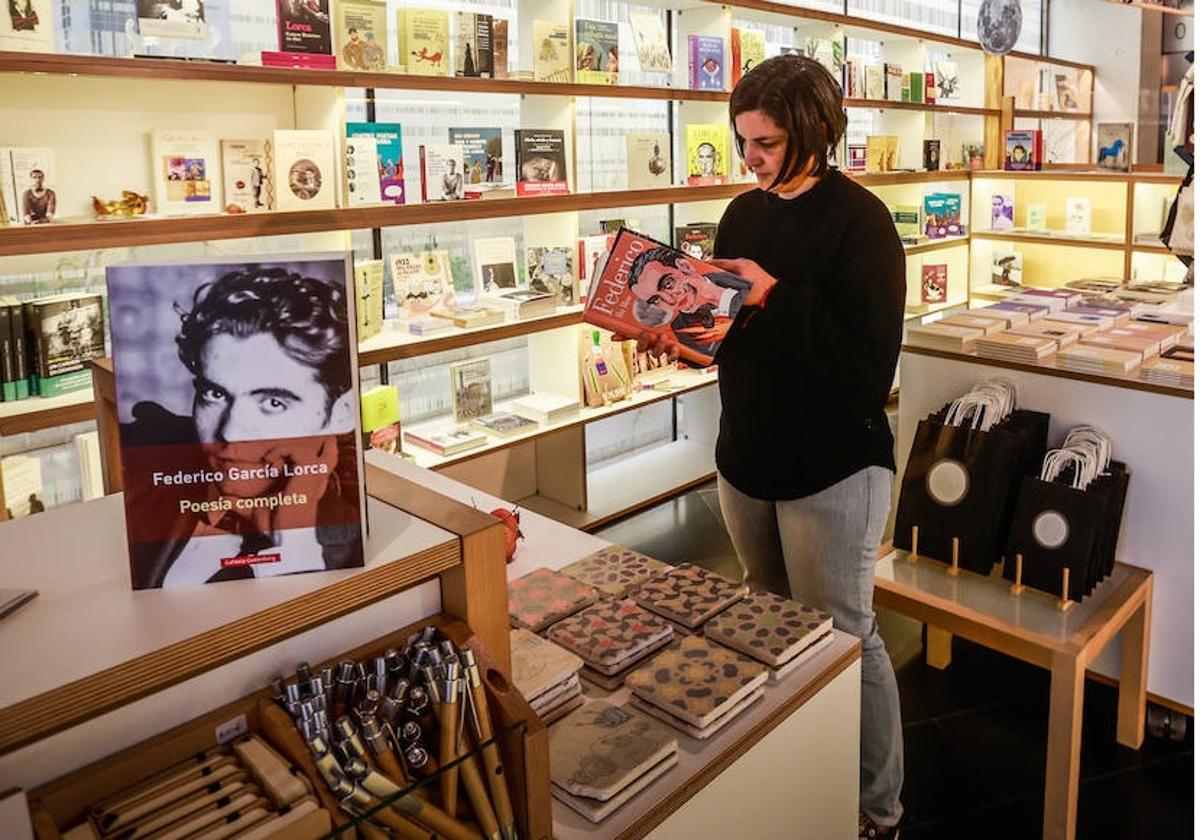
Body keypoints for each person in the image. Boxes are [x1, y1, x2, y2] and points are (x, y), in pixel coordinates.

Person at [631, 54, 905, 838]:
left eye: (767, 143)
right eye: (742, 139)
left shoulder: (863, 223)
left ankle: (875, 806)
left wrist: (774, 294)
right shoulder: (743, 214)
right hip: (746, 455)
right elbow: (728, 335)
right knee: (766, 620)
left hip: (834, 465)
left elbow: (865, 371)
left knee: (844, 632)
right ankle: (797, 778)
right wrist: (676, 334)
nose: (749, 158)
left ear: (815, 131)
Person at [120, 267, 363, 589]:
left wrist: (294, 546)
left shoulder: (351, 546)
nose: (231, 432)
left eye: (274, 403)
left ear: (341, 413)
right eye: (215, 394)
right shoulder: (144, 468)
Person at [627, 246, 751, 360]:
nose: (670, 300)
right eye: (656, 300)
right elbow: (714, 358)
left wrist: (721, 297)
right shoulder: (680, 327)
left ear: (685, 266)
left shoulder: (739, 281)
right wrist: (686, 356)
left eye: (668, 284)